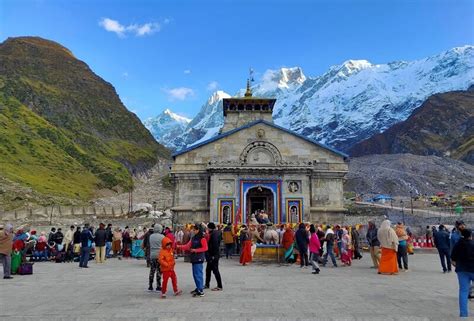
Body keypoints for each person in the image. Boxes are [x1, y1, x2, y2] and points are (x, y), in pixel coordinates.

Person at [177, 224, 208, 297]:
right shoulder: (193, 238)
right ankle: (198, 287)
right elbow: (187, 246)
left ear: (198, 230)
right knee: (195, 274)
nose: (193, 231)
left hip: (199, 258)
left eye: (195, 230)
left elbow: (205, 248)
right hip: (194, 258)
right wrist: (179, 246)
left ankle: (200, 290)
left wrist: (196, 250)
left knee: (198, 274)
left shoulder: (202, 238)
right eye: (193, 230)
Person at [451, 228, 474, 318]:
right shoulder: (473, 244)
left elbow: (452, 259)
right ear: (471, 235)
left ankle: (463, 315)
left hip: (462, 271)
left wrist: (457, 266)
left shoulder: (457, 245)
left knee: (463, 291)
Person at [205, 222, 223, 291]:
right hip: (211, 255)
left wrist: (213, 255)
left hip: (213, 255)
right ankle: (207, 284)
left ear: (210, 228)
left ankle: (219, 286)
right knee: (208, 270)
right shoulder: (216, 233)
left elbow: (215, 245)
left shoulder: (214, 234)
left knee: (215, 270)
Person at [148, 224, 164, 291]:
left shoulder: (151, 236)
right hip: (159, 255)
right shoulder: (162, 236)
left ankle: (150, 285)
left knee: (152, 270)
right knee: (159, 271)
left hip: (152, 255)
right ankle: (158, 286)